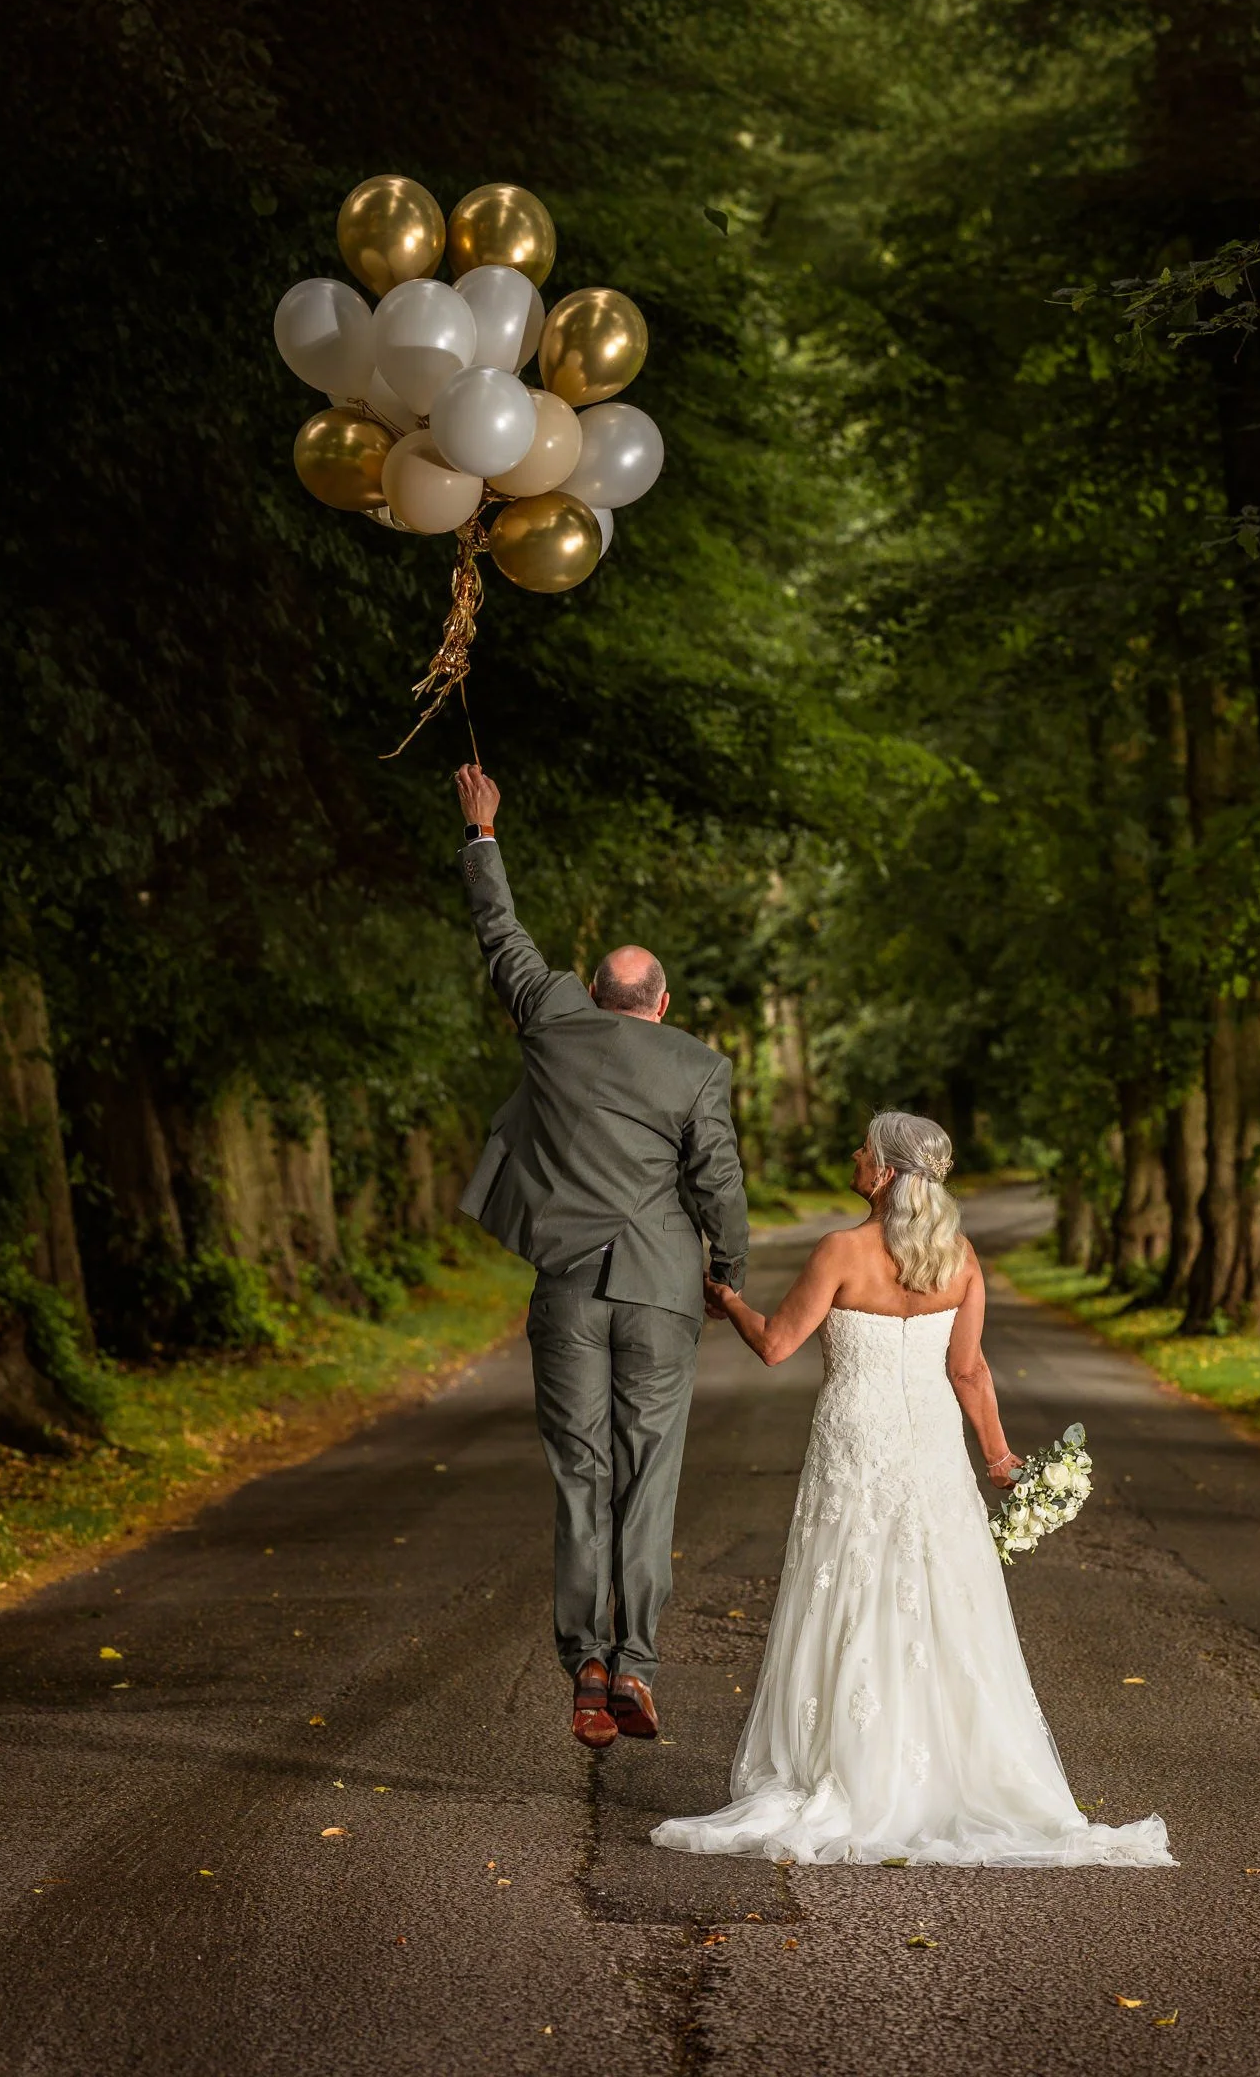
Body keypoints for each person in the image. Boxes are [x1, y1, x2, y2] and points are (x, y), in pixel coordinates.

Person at [652, 1111, 1173, 1868]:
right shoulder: (957, 1258)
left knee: (851, 1591)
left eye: (864, 1150)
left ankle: (853, 1767)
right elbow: (969, 1371)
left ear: (887, 1172)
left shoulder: (840, 1252)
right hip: (931, 1446)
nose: (855, 1156)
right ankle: (941, 1770)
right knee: (937, 1597)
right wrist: (999, 1459)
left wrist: (727, 1300)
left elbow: (774, 1347)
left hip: (855, 1444)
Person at [452, 762, 749, 1750]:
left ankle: (584, 1659)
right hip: (662, 1291)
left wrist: (483, 831)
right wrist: (729, 1272)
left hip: (570, 1291)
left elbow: (502, 937)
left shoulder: (555, 1020)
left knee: (581, 1472)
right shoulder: (699, 1066)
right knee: (649, 1473)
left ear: (592, 992)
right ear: (662, 1005)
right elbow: (718, 1179)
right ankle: (638, 1666)